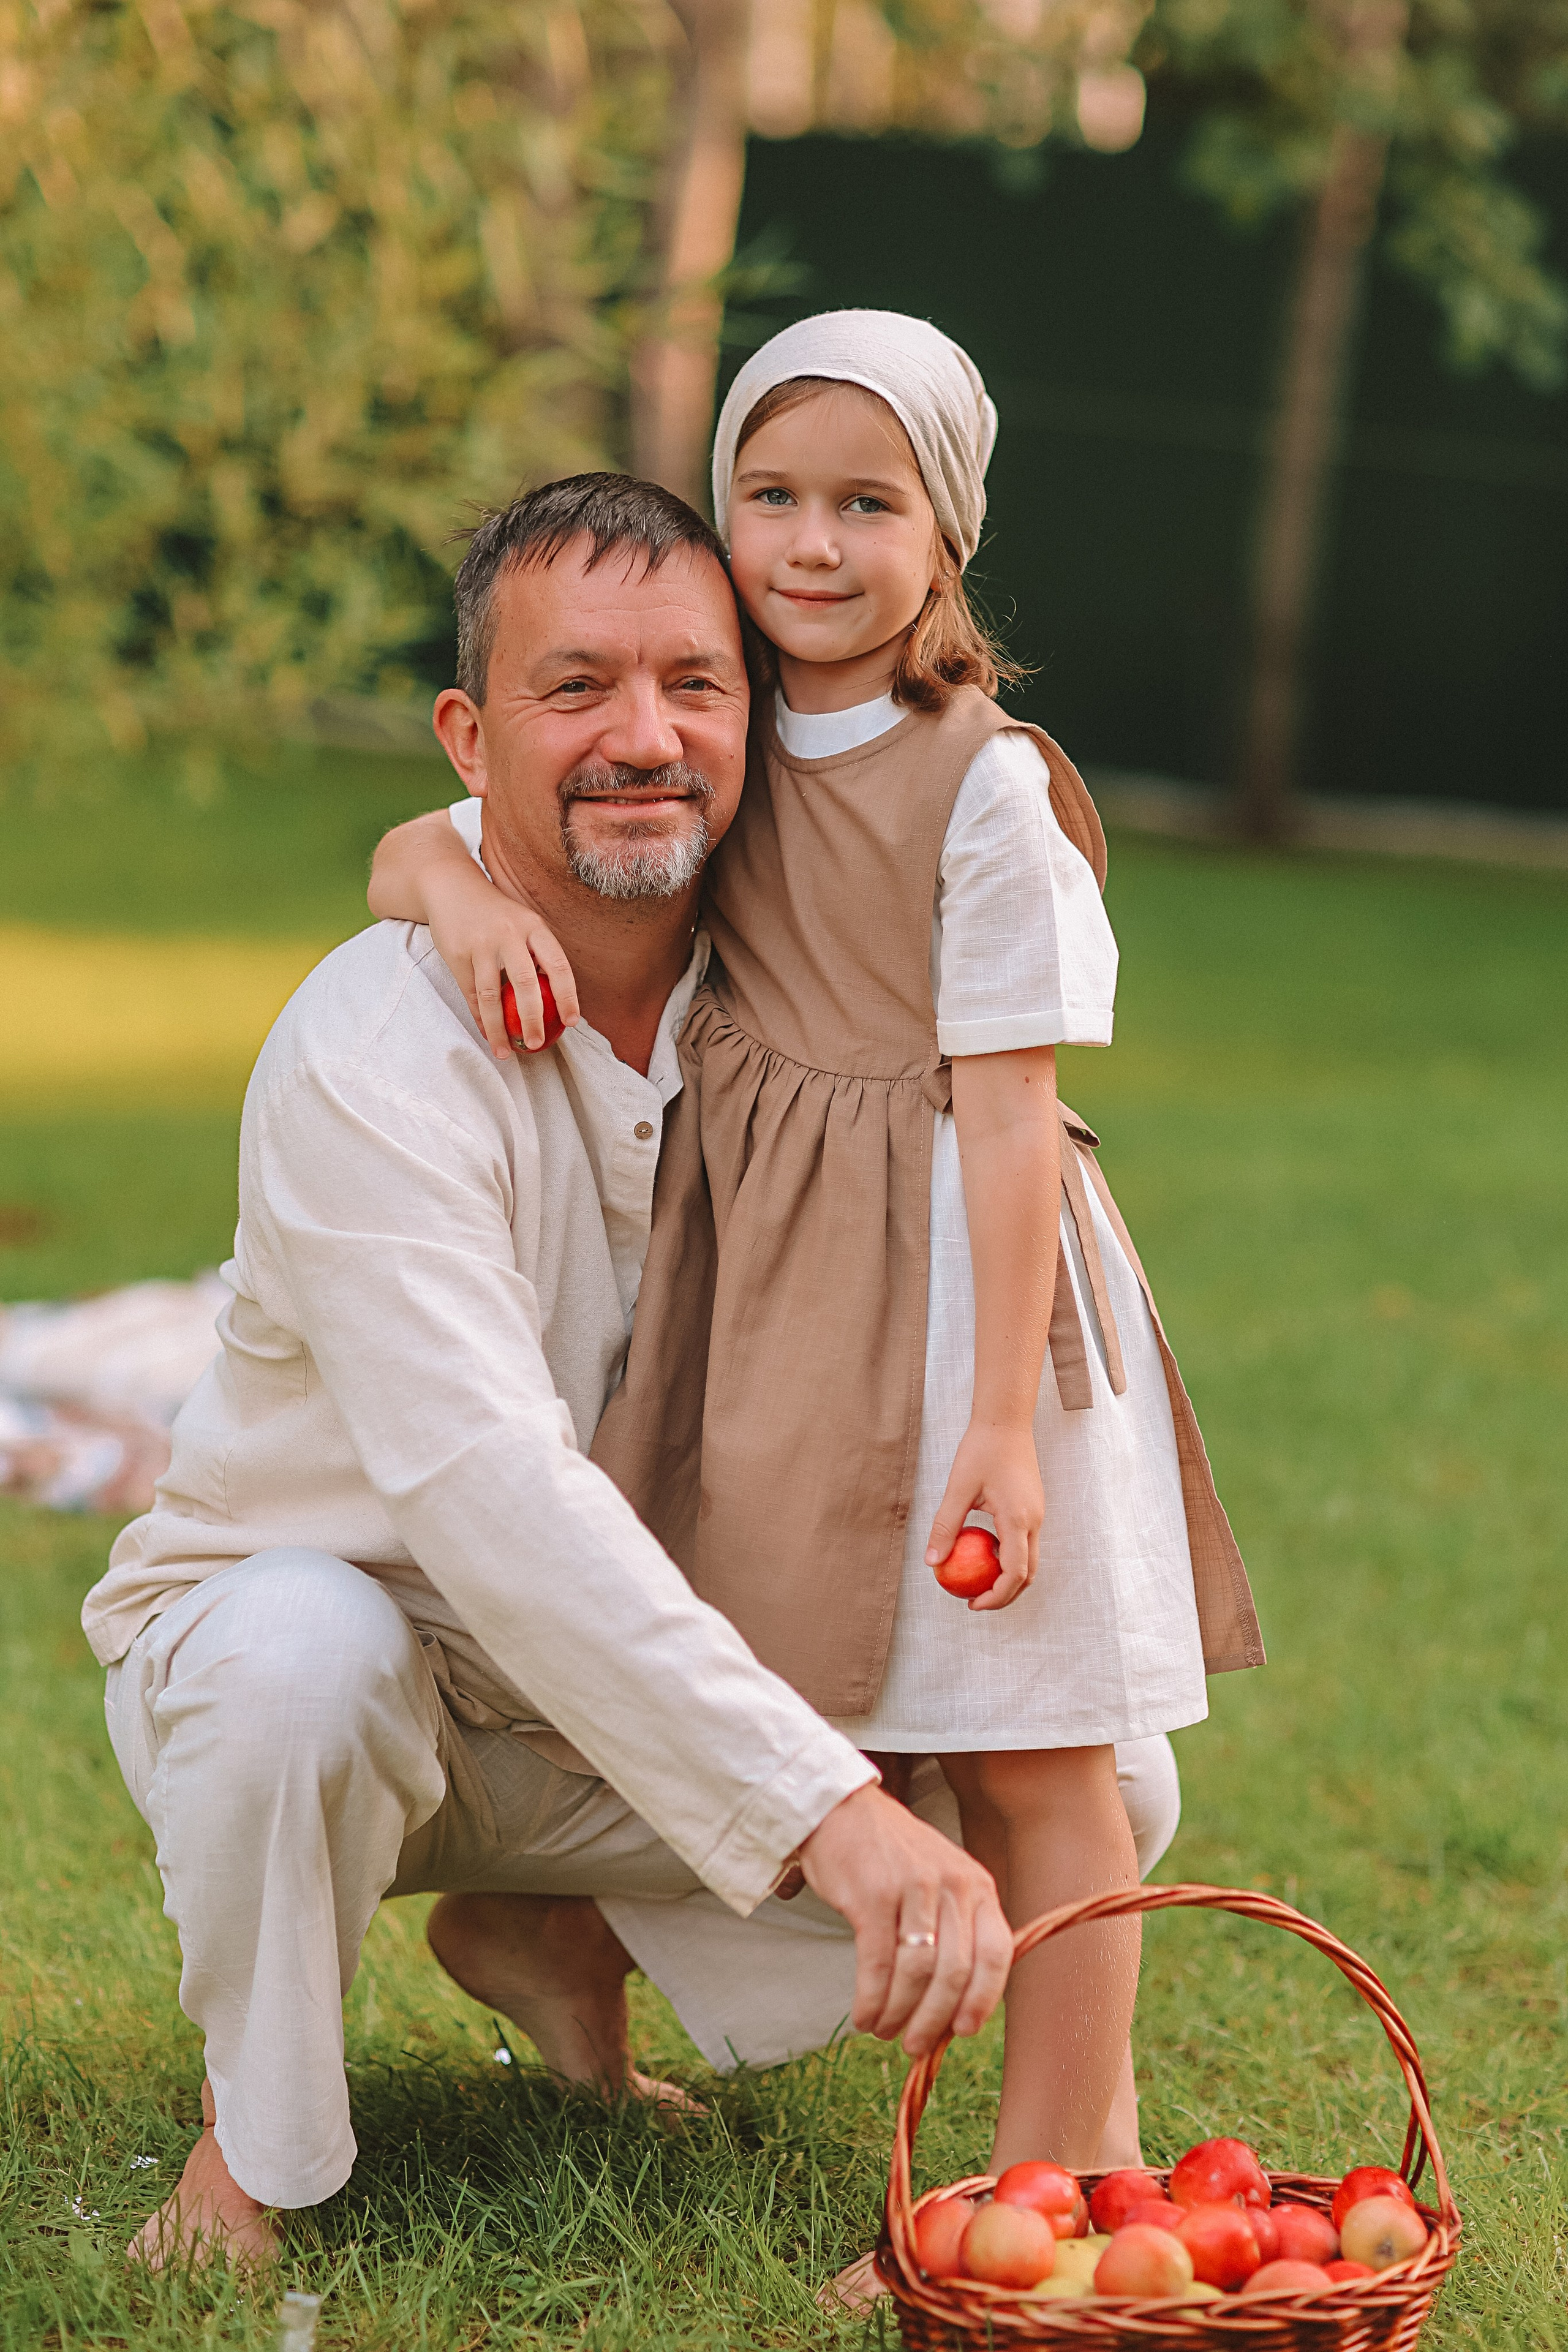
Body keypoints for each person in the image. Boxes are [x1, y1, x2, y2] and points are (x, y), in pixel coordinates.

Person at [368, 307, 1265, 2253]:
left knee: (1039, 1760)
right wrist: (448, 890)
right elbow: (422, 836)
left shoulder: (986, 785)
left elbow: (1015, 1118)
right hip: (777, 1305)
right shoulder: (718, 721)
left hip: (961, 1306)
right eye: (770, 494)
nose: (812, 543)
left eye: (871, 503)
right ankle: (548, 1923)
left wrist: (1008, 1431)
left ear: (946, 534)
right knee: (777, 1693)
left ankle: (1033, 2191)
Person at [81, 472, 1018, 2271]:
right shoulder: (374, 1045)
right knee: (300, 1663)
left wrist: (892, 1771)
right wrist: (827, 1819)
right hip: (362, 1649)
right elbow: (482, 1489)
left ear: (759, 716)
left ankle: (552, 1942)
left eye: (696, 683)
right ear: (468, 731)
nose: (644, 737)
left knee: (1082, 1774)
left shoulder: (802, 994)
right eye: (574, 687)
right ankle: (249, 2155)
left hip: (628, 1686)